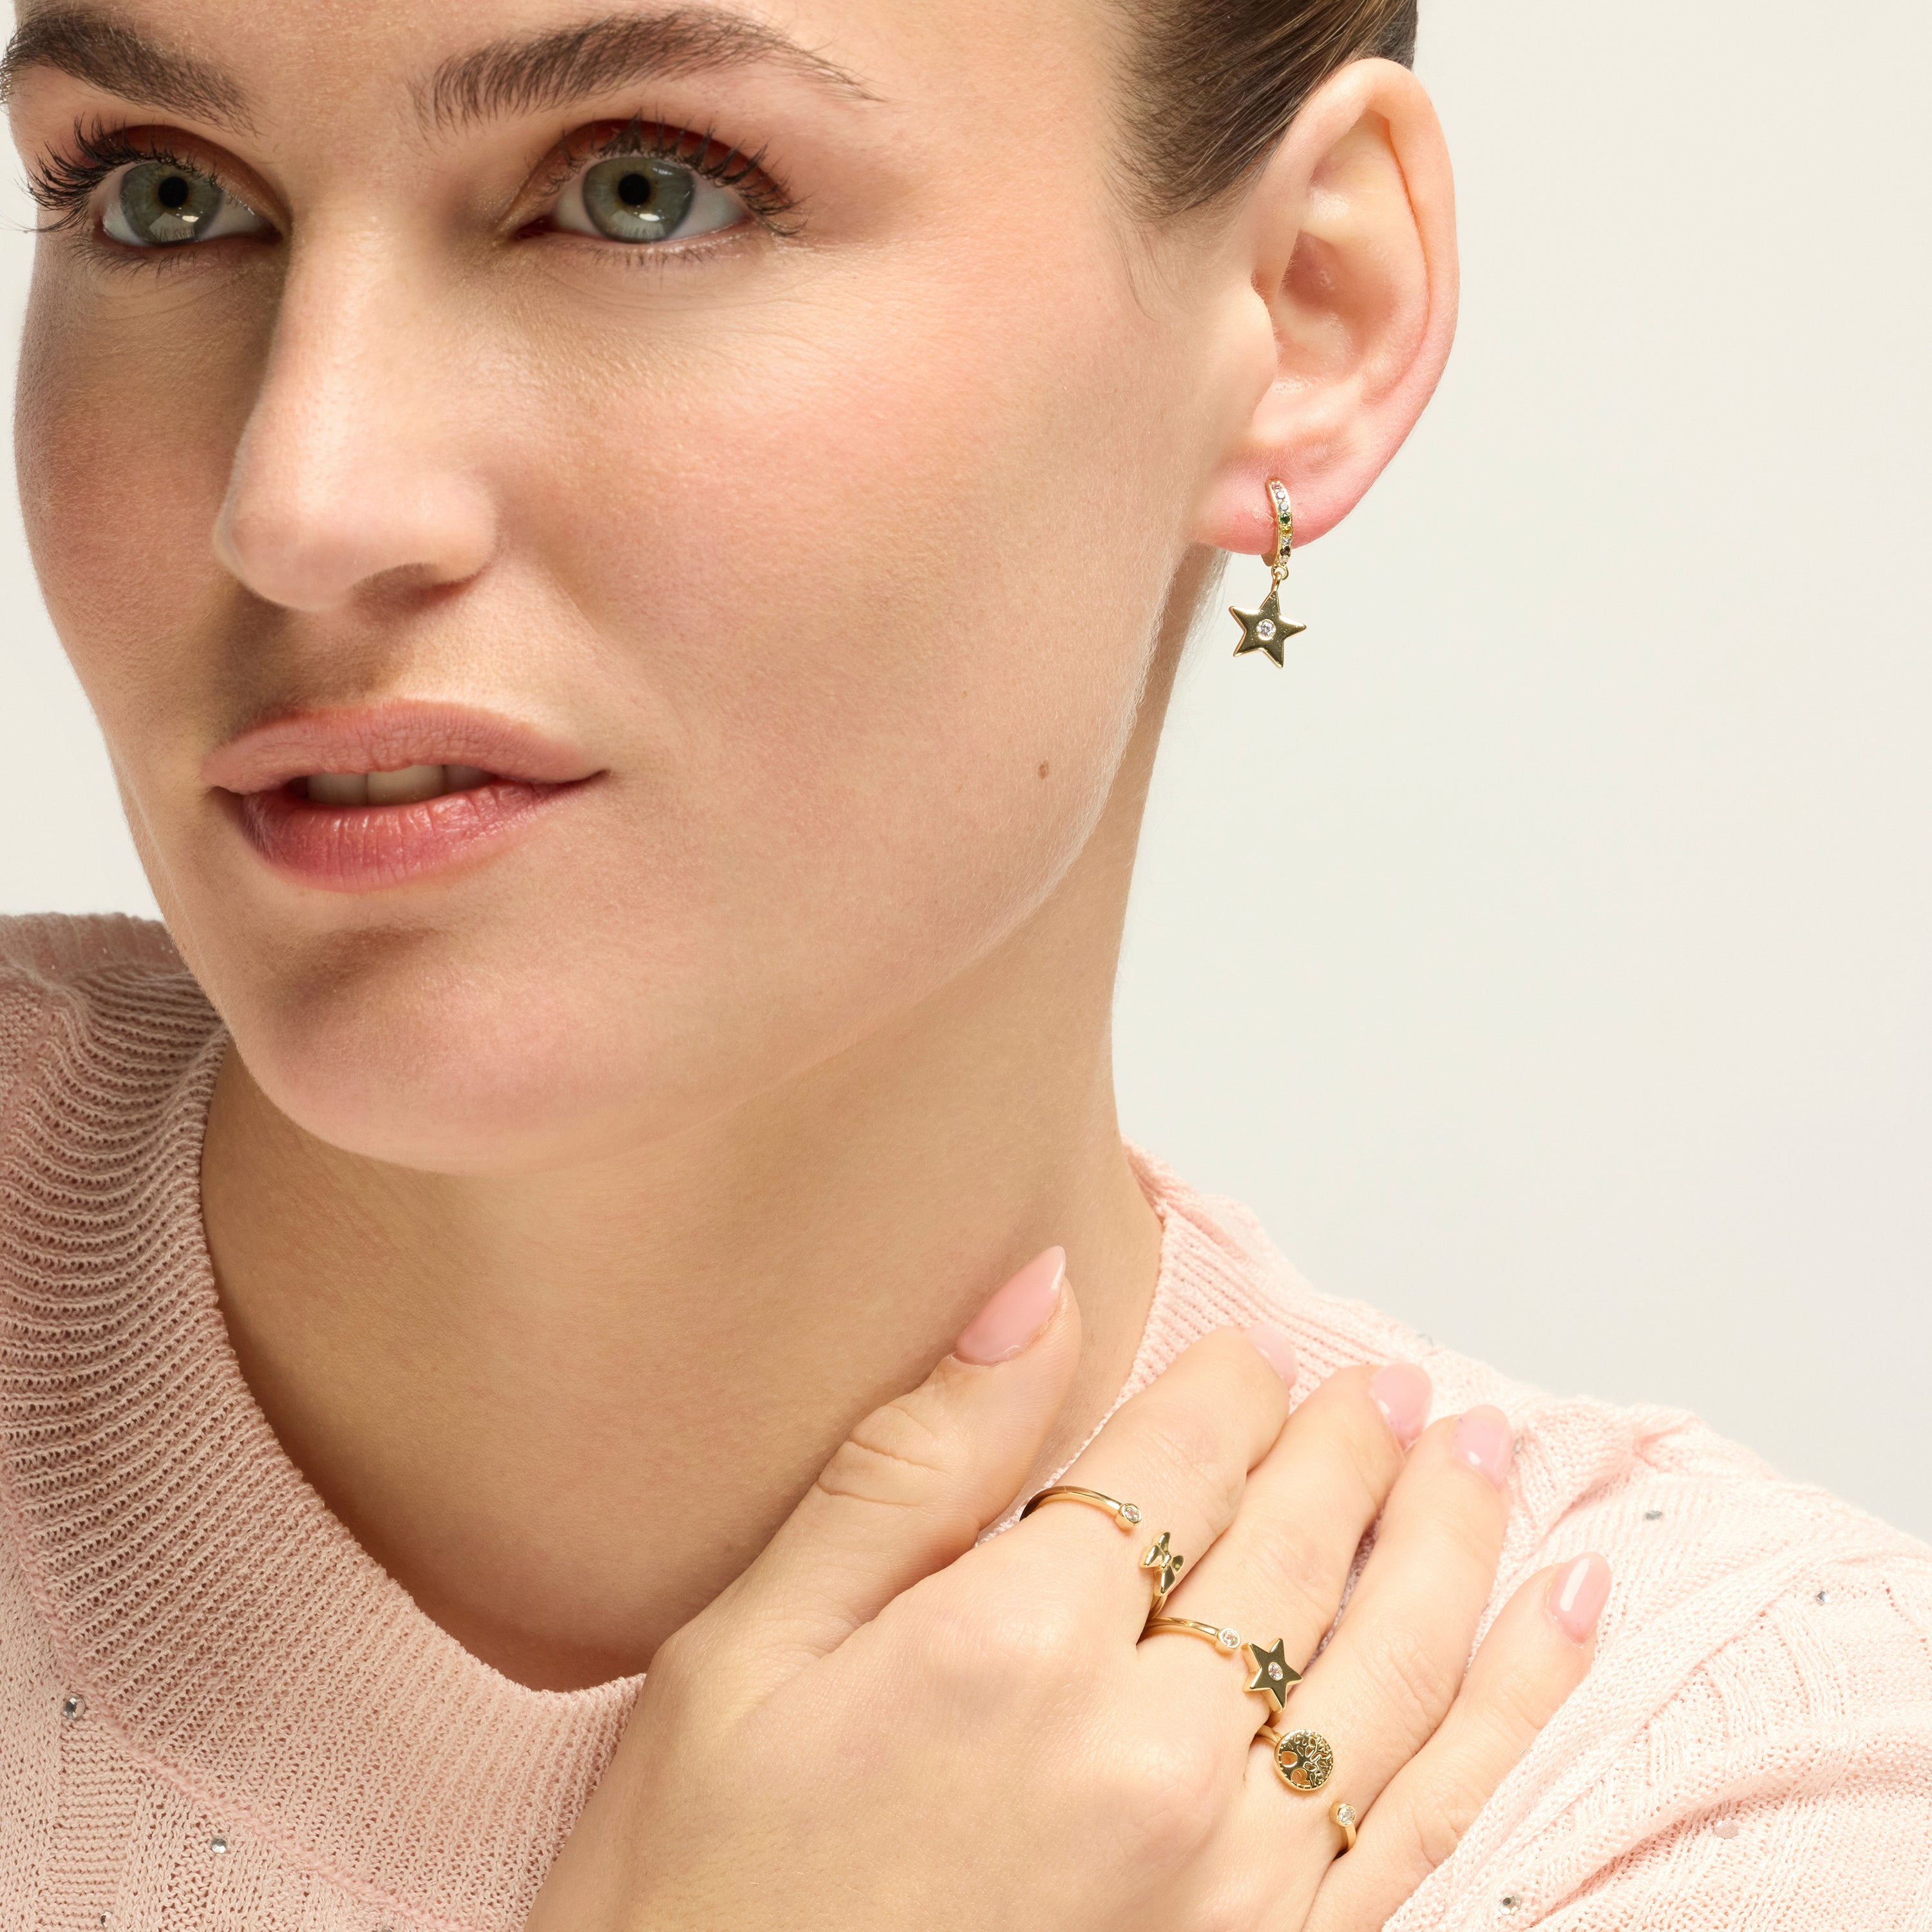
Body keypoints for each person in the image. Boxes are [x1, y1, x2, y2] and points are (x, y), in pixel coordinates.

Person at [0, 0, 1926, 1926]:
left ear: (1307, 308)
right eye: (162, 196)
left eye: (646, 190)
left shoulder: (1676, 1791)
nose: (303, 504)